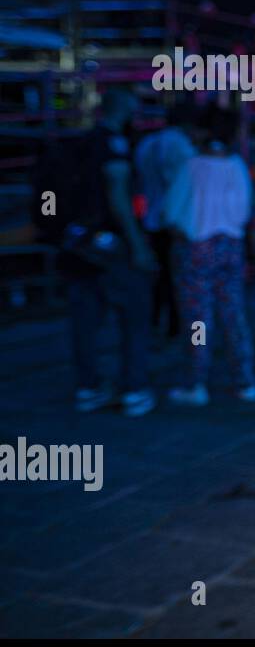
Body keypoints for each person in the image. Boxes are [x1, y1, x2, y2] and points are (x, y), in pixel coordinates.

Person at [62, 87, 158, 417]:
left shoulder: (79, 144)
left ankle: (87, 387)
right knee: (134, 316)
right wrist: (139, 245)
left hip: (80, 244)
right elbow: (118, 196)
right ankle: (134, 389)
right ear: (125, 109)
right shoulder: (115, 145)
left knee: (86, 322)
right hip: (112, 244)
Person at [162, 104, 255, 405]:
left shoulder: (191, 166)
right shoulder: (238, 165)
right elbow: (246, 210)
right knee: (233, 314)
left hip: (195, 248)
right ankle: (245, 381)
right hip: (231, 246)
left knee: (198, 320)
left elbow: (171, 213)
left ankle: (196, 382)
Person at [135, 101, 199, 337]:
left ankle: (153, 321)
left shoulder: (147, 144)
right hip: (176, 222)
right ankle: (175, 326)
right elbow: (185, 185)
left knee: (160, 274)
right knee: (177, 276)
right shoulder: (181, 146)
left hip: (152, 218)